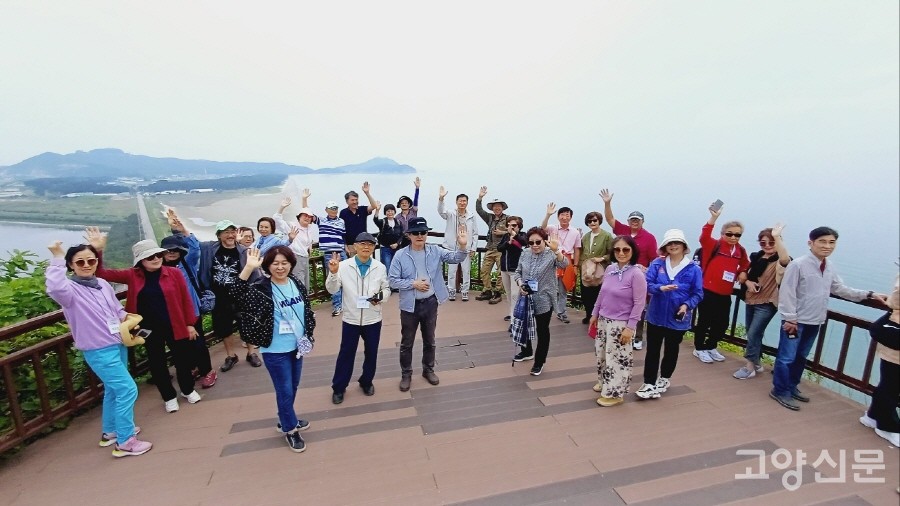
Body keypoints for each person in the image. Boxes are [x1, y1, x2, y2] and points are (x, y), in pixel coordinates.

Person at [45, 240, 152, 457]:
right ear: (70, 266)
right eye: (80, 262)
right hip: (98, 350)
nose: (86, 265)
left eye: (91, 260)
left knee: (114, 389)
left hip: (117, 343)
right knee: (127, 389)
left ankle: (111, 431)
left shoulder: (101, 284)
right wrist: (57, 257)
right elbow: (54, 287)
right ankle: (126, 441)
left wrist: (130, 322)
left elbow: (115, 310)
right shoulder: (69, 291)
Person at [771, 227, 887, 410]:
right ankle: (780, 390)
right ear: (811, 243)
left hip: (815, 321)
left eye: (831, 242)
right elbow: (787, 293)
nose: (827, 246)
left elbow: (840, 289)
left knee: (800, 356)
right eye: (822, 241)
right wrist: (790, 319)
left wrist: (869, 294)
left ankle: (791, 386)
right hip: (795, 322)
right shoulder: (798, 265)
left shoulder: (829, 266)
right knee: (786, 357)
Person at [89, 230, 201, 413]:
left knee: (183, 360)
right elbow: (100, 273)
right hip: (148, 329)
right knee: (157, 364)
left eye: (158, 254)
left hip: (176, 325)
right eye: (150, 257)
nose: (156, 259)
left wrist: (190, 324)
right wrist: (98, 250)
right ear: (140, 260)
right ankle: (169, 396)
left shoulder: (174, 273)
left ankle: (188, 390)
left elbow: (185, 300)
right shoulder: (132, 275)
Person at [230, 246, 316, 452]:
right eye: (275, 263)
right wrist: (248, 269)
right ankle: (290, 429)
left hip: (296, 345)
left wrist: (309, 332)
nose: (280, 267)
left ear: (291, 264)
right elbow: (235, 294)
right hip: (275, 350)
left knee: (292, 387)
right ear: (268, 265)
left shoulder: (295, 282)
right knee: (284, 390)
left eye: (284, 263)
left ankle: (285, 419)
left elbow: (305, 309)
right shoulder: (261, 287)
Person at [388, 217, 468, 391]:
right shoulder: (401, 255)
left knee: (430, 340)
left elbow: (455, 258)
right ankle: (406, 374)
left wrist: (462, 245)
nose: (420, 236)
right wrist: (413, 284)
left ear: (427, 234)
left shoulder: (435, 251)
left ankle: (428, 369)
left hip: (431, 302)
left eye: (423, 232)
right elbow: (392, 281)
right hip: (409, 305)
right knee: (407, 342)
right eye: (416, 233)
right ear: (408, 235)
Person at [635, 229, 704, 400]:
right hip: (656, 315)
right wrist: (660, 288)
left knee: (672, 350)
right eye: (670, 243)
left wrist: (686, 305)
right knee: (652, 350)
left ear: (683, 246)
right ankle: (649, 383)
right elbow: (647, 284)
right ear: (665, 246)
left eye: (677, 243)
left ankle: (665, 378)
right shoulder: (657, 264)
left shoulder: (693, 269)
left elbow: (698, 293)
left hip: (677, 318)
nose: (673, 246)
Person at [325, 232, 391, 404]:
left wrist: (378, 298)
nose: (366, 247)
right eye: (362, 244)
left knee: (372, 352)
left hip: (373, 318)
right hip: (351, 319)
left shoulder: (379, 267)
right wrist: (332, 273)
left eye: (370, 244)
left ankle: (366, 381)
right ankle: (339, 387)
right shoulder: (344, 266)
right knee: (346, 353)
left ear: (374, 247)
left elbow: (387, 288)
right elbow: (332, 290)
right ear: (355, 246)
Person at [161, 209, 216, 389]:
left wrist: (182, 229)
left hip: (192, 311)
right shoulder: (158, 268)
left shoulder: (187, 262)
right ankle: (193, 368)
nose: (172, 252)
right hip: (172, 316)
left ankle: (207, 371)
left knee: (199, 344)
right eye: (168, 250)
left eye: (176, 249)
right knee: (183, 346)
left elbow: (195, 247)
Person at [589, 235, 646, 407]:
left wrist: (630, 328)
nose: (621, 253)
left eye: (625, 249)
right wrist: (594, 313)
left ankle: (615, 394)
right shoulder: (610, 269)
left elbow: (639, 303)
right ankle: (605, 382)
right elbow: (602, 293)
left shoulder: (636, 274)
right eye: (617, 249)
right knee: (602, 355)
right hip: (604, 320)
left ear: (632, 251)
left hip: (621, 323)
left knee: (617, 359)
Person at [199, 219, 263, 371]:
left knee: (247, 325)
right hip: (219, 297)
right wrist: (179, 228)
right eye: (226, 232)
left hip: (241, 296)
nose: (230, 235)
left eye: (232, 232)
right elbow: (192, 241)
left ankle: (251, 352)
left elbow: (255, 274)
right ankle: (231, 355)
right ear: (219, 235)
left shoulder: (244, 251)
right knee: (224, 328)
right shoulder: (209, 248)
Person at [599, 189, 659, 349]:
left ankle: (637, 336)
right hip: (619, 274)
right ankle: (616, 330)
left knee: (638, 305)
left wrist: (646, 269)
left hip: (638, 276)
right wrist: (607, 203)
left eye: (637, 220)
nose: (635, 222)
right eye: (632, 219)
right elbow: (610, 219)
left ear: (642, 222)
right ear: (628, 220)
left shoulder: (649, 237)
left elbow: (654, 259)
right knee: (618, 301)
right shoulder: (623, 231)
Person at [692, 203, 749, 364]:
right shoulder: (714, 245)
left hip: (725, 293)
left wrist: (742, 271)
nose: (733, 237)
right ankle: (699, 348)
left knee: (722, 323)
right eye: (729, 234)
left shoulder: (740, 250)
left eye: (737, 235)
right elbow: (704, 237)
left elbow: (745, 263)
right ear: (722, 233)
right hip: (708, 289)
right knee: (704, 321)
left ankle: (711, 346)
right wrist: (713, 218)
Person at [733, 224, 790, 380]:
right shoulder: (757, 257)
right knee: (753, 333)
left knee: (753, 333)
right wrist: (747, 282)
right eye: (763, 242)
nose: (767, 246)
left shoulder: (780, 259)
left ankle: (749, 367)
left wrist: (777, 236)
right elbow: (748, 276)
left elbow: (785, 260)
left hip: (767, 302)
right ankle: (757, 363)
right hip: (751, 299)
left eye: (771, 243)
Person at [512, 226, 569, 376]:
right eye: (531, 243)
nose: (535, 245)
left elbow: (565, 264)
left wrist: (557, 251)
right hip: (525, 297)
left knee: (542, 330)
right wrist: (520, 285)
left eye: (538, 242)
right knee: (524, 324)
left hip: (544, 298)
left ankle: (539, 361)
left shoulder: (551, 254)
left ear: (544, 241)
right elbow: (517, 272)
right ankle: (527, 351)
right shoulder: (525, 254)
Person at [860, 275, 899, 446]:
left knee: (890, 383)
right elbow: (896, 300)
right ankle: (887, 427)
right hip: (895, 337)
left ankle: (872, 416)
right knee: (892, 384)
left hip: (893, 334)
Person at [541, 203, 581, 324]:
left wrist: (575, 265)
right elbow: (542, 228)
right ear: (558, 217)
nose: (564, 217)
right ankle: (546, 310)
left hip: (567, 260)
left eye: (567, 215)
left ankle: (561, 312)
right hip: (552, 258)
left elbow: (577, 249)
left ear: (571, 217)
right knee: (550, 286)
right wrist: (548, 214)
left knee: (564, 288)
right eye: (562, 215)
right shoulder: (553, 228)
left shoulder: (575, 232)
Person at [437, 186, 478, 301]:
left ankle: (465, 291)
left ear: (467, 202)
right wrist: (441, 198)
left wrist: (473, 248)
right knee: (451, 271)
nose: (462, 203)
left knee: (466, 271)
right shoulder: (451, 214)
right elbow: (441, 211)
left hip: (466, 248)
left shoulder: (471, 216)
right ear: (456, 202)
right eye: (460, 201)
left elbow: (475, 233)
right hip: (452, 248)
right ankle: (451, 291)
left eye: (464, 201)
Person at [308, 196, 347, 316]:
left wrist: (345, 247)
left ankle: (346, 303)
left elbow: (343, 235)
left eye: (335, 208)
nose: (334, 210)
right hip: (329, 254)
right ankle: (337, 305)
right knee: (333, 279)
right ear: (326, 210)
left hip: (341, 253)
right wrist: (305, 199)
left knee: (346, 278)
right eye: (331, 208)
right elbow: (309, 215)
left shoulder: (341, 221)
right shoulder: (321, 220)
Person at [274, 192, 319, 290]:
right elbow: (277, 220)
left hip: (305, 258)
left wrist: (304, 199)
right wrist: (281, 208)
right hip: (295, 257)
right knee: (299, 284)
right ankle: (301, 304)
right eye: (304, 215)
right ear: (299, 217)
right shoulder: (292, 226)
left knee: (306, 285)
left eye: (309, 217)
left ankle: (305, 304)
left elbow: (306, 209)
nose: (307, 218)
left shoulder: (309, 228)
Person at [474, 186, 508, 304]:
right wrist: (480, 197)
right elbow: (479, 210)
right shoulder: (490, 218)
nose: (497, 208)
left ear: (502, 208)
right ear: (492, 208)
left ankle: (498, 293)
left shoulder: (508, 219)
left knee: (500, 273)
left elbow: (516, 230)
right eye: (495, 206)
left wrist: (503, 232)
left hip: (501, 250)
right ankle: (487, 290)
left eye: (499, 206)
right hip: (490, 248)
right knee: (484, 271)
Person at [580, 211, 613, 324]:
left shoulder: (607, 236)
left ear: (599, 221)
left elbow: (612, 253)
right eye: (590, 221)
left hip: (601, 270)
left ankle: (598, 316)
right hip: (586, 270)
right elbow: (582, 252)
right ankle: (588, 315)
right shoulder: (586, 236)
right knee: (586, 294)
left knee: (598, 294)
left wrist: (602, 258)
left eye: (595, 220)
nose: (592, 223)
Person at [497, 216, 526, 323]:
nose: (511, 227)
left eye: (513, 225)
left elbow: (524, 243)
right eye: (509, 225)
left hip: (516, 270)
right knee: (508, 293)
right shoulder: (505, 236)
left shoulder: (523, 235)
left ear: (519, 226)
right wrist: (508, 243)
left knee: (515, 294)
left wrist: (515, 236)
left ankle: (515, 317)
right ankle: (511, 312)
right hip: (504, 268)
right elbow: (499, 248)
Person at [340, 182, 377, 256]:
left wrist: (367, 193)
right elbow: (342, 230)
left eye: (356, 200)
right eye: (352, 200)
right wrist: (345, 245)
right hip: (351, 245)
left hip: (364, 244)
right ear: (347, 201)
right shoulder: (343, 213)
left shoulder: (362, 209)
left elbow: (374, 206)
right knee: (353, 266)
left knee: (366, 264)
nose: (355, 202)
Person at [372, 201, 405, 277]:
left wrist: (397, 243)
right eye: (388, 211)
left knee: (397, 266)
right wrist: (377, 210)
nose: (390, 213)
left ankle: (395, 285)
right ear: (385, 212)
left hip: (396, 248)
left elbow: (401, 235)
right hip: (385, 248)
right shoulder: (383, 222)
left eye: (392, 211)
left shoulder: (398, 222)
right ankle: (388, 285)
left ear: (394, 211)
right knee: (387, 266)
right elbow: (375, 220)